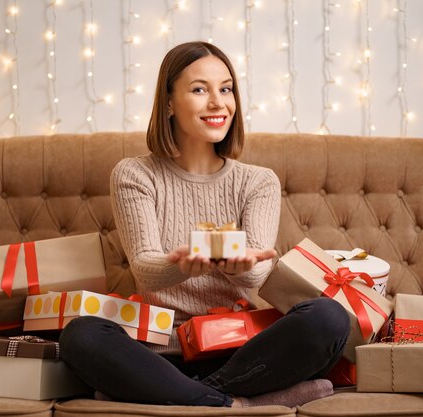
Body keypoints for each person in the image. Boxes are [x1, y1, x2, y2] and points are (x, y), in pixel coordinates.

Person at [59, 41, 350, 408]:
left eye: (225, 89)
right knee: (80, 335)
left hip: (241, 350)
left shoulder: (258, 181)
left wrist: (243, 268)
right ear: (168, 102)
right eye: (200, 89)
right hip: (160, 353)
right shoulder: (134, 174)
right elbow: (145, 268)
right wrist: (178, 266)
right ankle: (236, 404)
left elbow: (259, 275)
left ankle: (187, 396)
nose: (218, 103)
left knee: (328, 317)